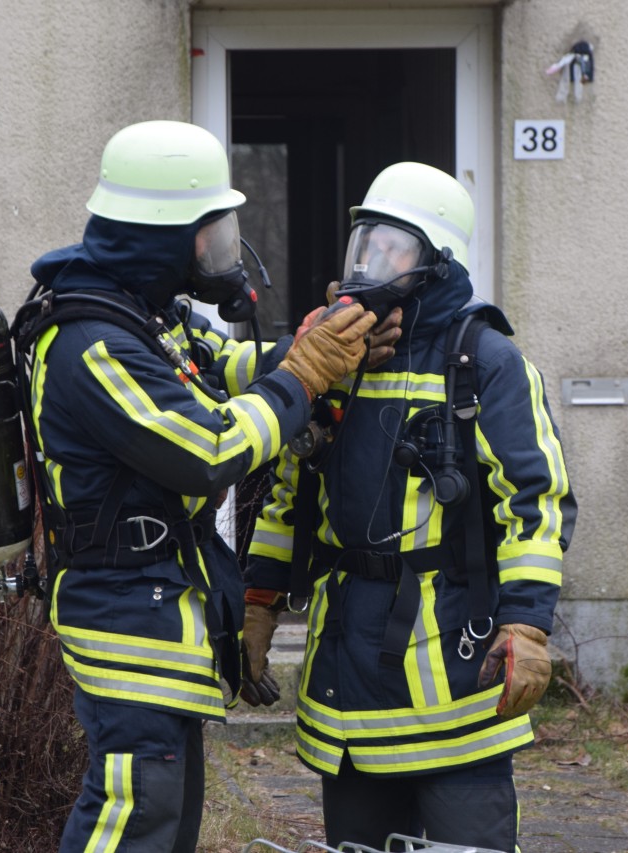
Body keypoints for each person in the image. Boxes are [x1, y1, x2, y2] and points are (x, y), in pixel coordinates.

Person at [21, 120, 381, 852]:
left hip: (162, 612)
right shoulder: (95, 346)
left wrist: (321, 339)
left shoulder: (149, 320)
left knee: (167, 822)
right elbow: (207, 448)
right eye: (210, 231)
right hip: (126, 621)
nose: (223, 250)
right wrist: (305, 375)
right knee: (134, 816)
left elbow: (229, 372)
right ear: (157, 238)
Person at [241, 162, 577, 851]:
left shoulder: (484, 360)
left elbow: (535, 498)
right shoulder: (336, 358)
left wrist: (527, 625)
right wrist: (259, 603)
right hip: (347, 685)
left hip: (455, 674)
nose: (371, 263)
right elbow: (289, 492)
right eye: (364, 243)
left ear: (435, 262)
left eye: (394, 247)